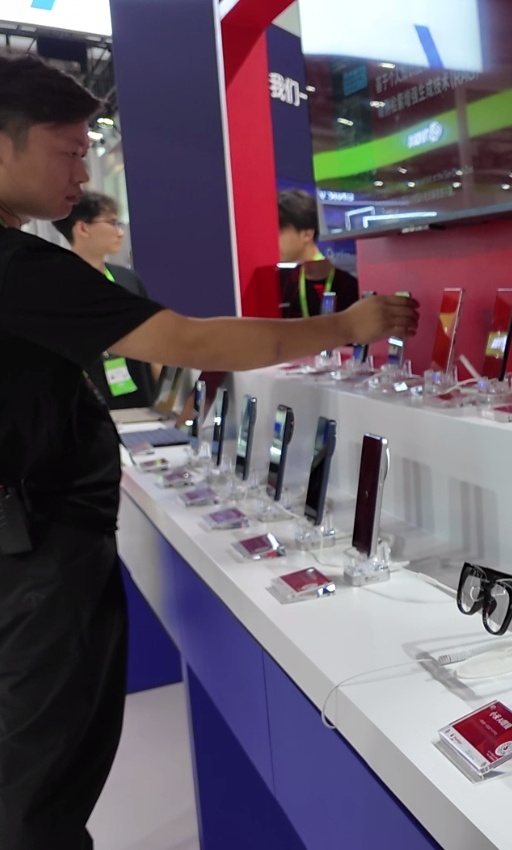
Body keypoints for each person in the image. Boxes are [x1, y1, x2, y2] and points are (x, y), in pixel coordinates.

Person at [0, 56, 417, 849]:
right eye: (68, 151)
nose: (83, 174)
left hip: (28, 541)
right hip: (35, 551)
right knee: (39, 775)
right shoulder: (19, 268)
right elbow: (189, 342)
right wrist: (345, 326)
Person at [51, 191, 157, 409]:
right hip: (85, 406)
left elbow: (153, 342)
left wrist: (166, 401)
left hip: (139, 401)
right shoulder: (57, 284)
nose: (120, 232)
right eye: (112, 223)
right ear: (83, 228)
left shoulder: (127, 279)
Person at [277, 188, 359, 318]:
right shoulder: (280, 282)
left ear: (307, 234)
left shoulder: (349, 285)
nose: (271, 240)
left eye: (279, 232)